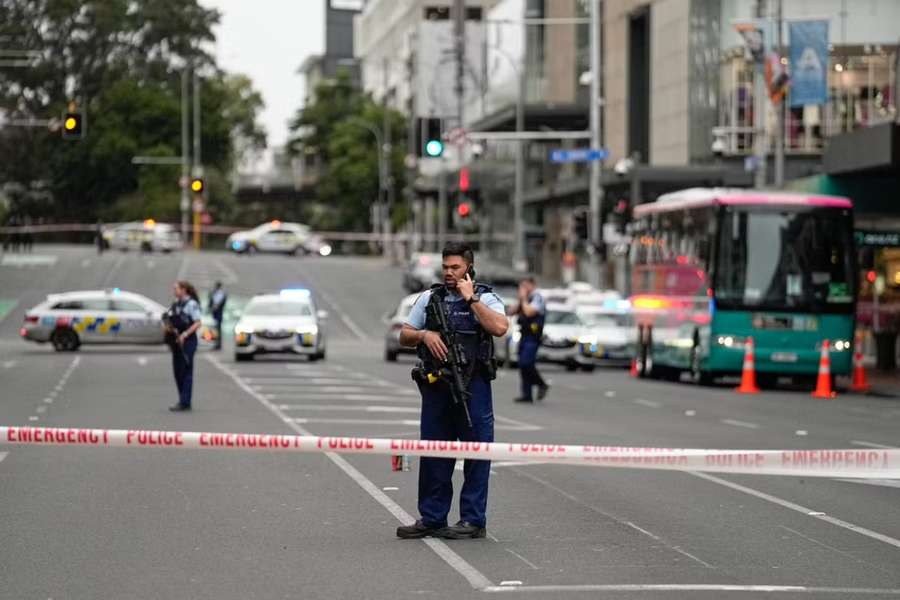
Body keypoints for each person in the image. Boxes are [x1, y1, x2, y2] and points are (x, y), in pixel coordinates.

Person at [396, 242, 508, 540]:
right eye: (445, 267)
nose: (449, 272)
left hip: (474, 386)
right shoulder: (430, 298)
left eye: (455, 267)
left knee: (477, 454)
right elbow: (404, 334)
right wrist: (424, 334)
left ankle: (473, 520)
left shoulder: (487, 297)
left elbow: (499, 327)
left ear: (469, 268)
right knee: (433, 453)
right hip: (437, 387)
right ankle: (432, 518)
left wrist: (471, 300)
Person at [164, 280, 202, 412]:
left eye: (176, 288)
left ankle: (185, 402)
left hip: (188, 340)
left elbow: (197, 323)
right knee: (177, 371)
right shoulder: (175, 304)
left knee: (186, 370)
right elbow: (170, 319)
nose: (174, 291)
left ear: (184, 289)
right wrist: (168, 326)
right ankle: (182, 399)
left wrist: (185, 334)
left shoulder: (191, 304)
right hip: (176, 340)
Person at [511, 277, 548, 403]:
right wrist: (520, 299)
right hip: (524, 335)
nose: (523, 289)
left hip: (533, 336)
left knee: (526, 363)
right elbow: (511, 311)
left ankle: (541, 384)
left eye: (525, 286)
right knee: (522, 364)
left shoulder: (537, 297)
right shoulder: (524, 299)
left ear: (532, 285)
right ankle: (527, 394)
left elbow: (529, 312)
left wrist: (524, 299)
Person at [208, 281, 228, 350]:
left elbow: (221, 303)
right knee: (215, 329)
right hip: (214, 314)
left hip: (219, 314)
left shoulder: (222, 294)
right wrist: (211, 308)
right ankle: (216, 343)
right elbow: (210, 302)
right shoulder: (213, 293)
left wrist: (216, 307)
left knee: (218, 330)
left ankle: (218, 344)